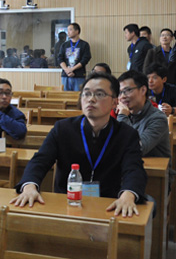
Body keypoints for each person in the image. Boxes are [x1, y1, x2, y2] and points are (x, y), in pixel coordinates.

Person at [10, 72, 147, 217]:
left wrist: (128, 195)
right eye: (86, 94)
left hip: (108, 205)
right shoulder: (63, 128)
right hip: (66, 204)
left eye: (99, 94)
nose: (91, 99)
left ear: (114, 102)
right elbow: (40, 160)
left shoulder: (126, 134)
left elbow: (134, 169)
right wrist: (29, 186)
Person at [116, 70, 170, 159]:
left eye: (127, 90)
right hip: (129, 165)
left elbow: (137, 148)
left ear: (143, 90)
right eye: (120, 92)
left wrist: (122, 116)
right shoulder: (126, 114)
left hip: (154, 168)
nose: (122, 96)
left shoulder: (158, 118)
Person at [57, 23, 92, 91]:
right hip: (65, 75)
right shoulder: (64, 45)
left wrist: (72, 69)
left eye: (70, 30)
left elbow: (85, 59)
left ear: (77, 31)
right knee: (65, 96)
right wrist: (67, 70)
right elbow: (60, 58)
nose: (68, 32)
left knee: (78, 95)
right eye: (67, 30)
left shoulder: (84, 44)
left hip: (79, 75)